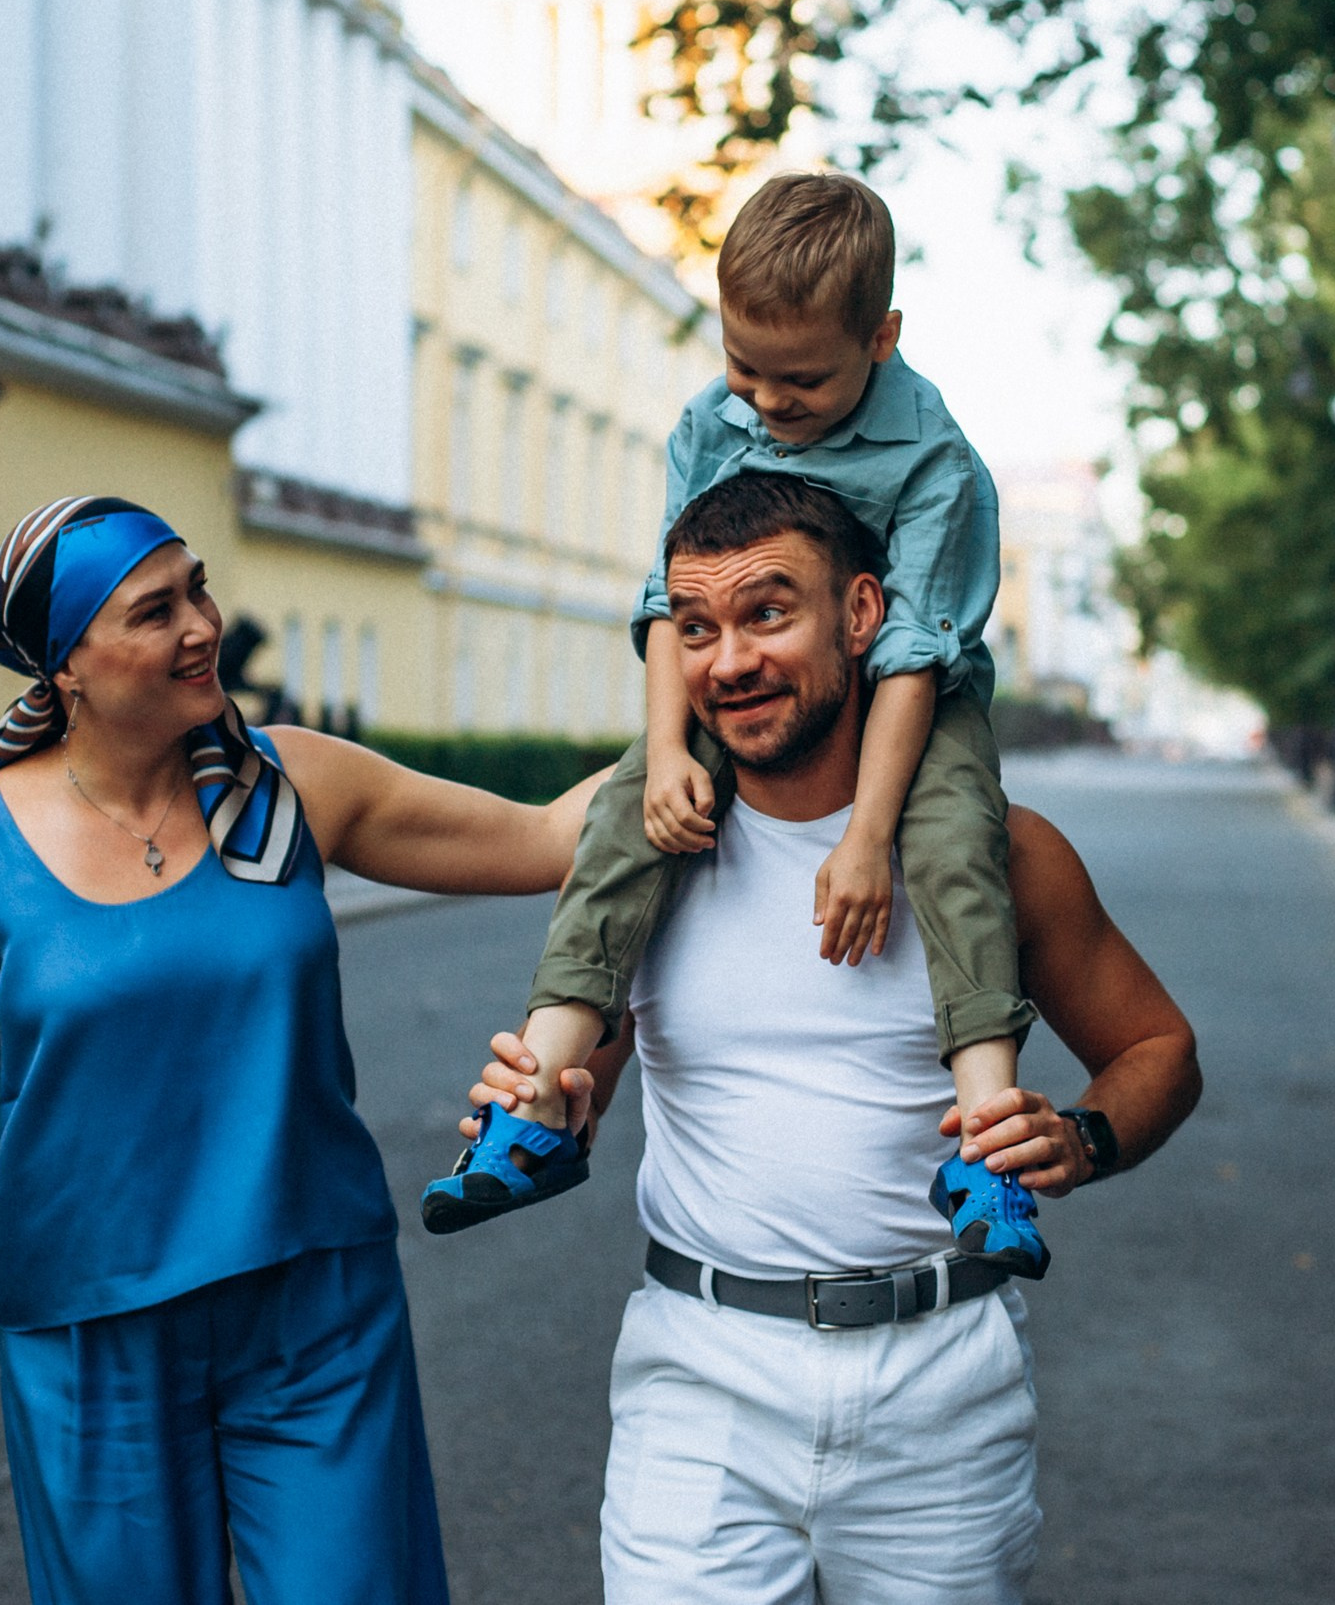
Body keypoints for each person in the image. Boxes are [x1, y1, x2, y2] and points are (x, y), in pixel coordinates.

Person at [0, 495, 603, 1605]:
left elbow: (547, 838)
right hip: (89, 1336)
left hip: (316, 1314)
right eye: (155, 611)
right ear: (69, 670)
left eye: (197, 587)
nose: (202, 624)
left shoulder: (290, 786)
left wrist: (714, 701)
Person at [461, 473, 1199, 1602]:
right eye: (697, 628)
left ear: (861, 616)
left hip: (941, 1385)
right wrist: (545, 1095)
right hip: (700, 1381)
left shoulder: (996, 855)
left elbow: (1158, 1048)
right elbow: (578, 1080)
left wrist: (1084, 1138)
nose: (729, 661)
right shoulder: (652, 852)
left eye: (768, 613)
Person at [423, 172, 1045, 1275]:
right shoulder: (715, 421)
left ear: (883, 337)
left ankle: (987, 1150)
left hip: (917, 697)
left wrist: (866, 838)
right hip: (748, 667)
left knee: (955, 847)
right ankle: (536, 1107)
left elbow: (907, 651)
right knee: (628, 821)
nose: (766, 399)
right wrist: (664, 755)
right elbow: (672, 600)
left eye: (801, 378)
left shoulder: (933, 460)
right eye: (743, 364)